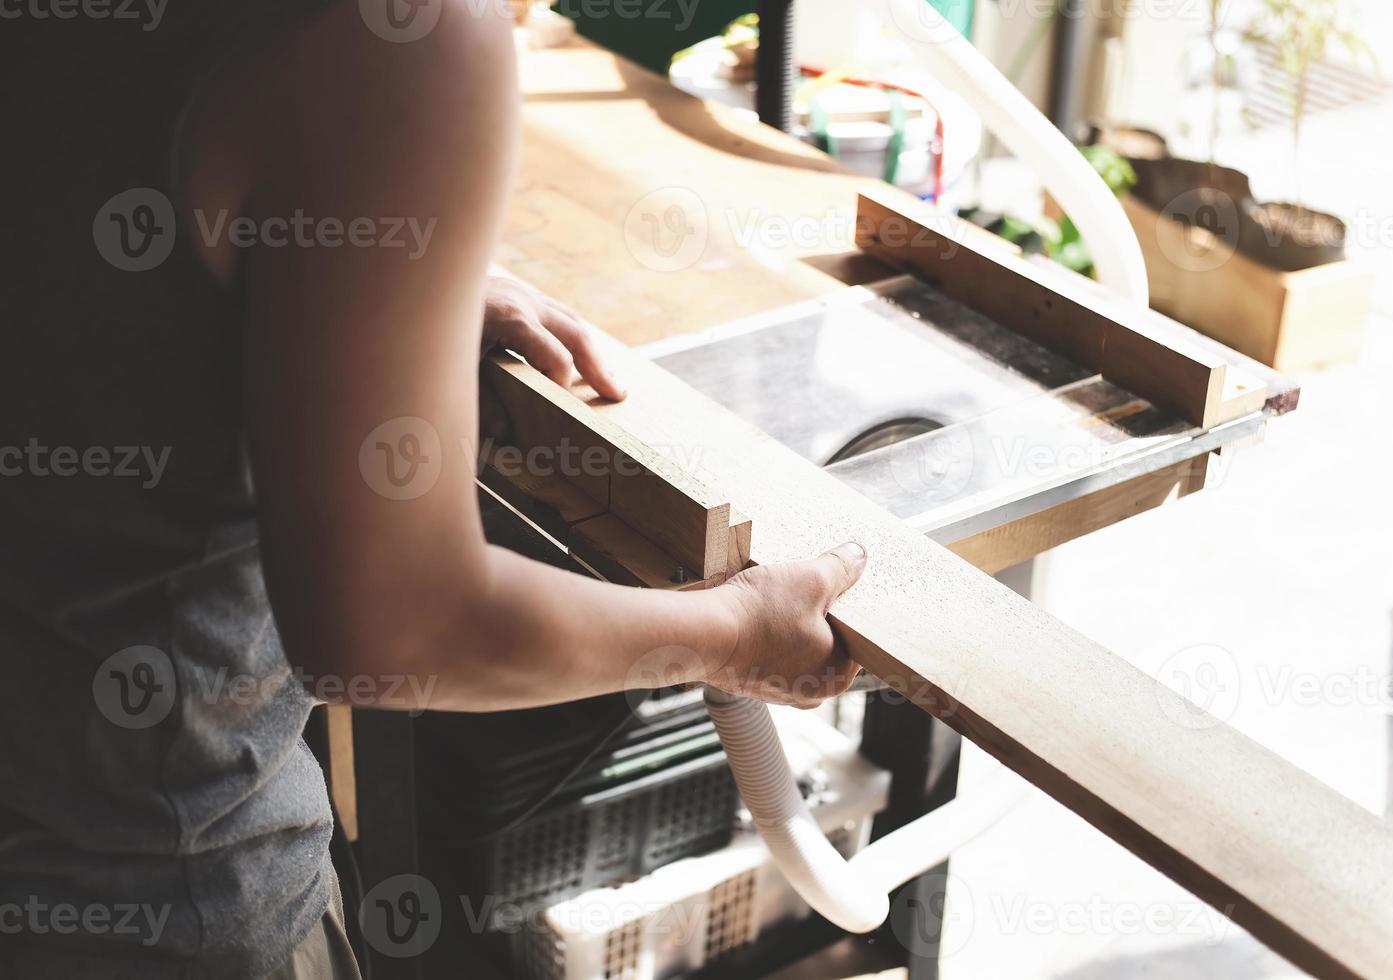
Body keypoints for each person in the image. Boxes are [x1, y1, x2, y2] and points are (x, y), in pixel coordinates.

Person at [0, 3, 866, 977]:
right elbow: (394, 627)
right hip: (146, 911)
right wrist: (739, 636)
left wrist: (355, 274)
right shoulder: (400, 33)